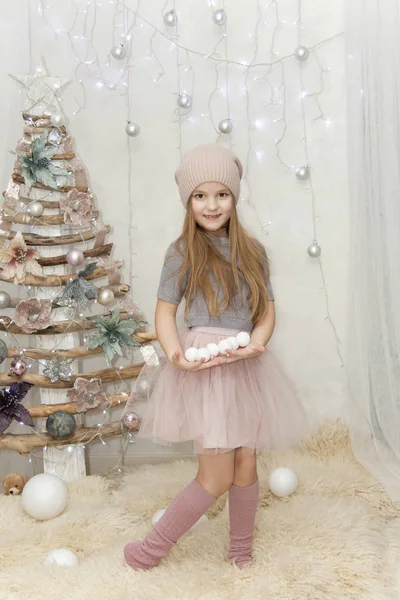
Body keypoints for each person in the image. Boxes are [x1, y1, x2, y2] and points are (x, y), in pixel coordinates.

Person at [124, 144, 310, 571]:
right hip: (207, 370)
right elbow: (165, 312)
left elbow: (265, 310)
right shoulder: (181, 252)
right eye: (200, 196)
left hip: (245, 365)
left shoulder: (253, 252)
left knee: (246, 459)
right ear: (188, 200)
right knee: (216, 474)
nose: (211, 205)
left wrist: (259, 339)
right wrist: (175, 355)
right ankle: (151, 551)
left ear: (235, 197)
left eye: (221, 194)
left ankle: (240, 551)